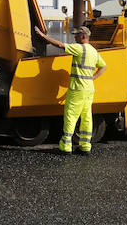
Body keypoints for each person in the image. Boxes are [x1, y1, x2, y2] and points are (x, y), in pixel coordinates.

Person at [34, 24, 107, 155]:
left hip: (77, 89)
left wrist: (43, 36)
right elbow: (103, 67)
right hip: (89, 89)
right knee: (86, 117)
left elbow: (61, 45)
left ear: (83, 36)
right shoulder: (93, 51)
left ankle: (66, 146)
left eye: (77, 35)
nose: (75, 38)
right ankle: (85, 146)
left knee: (71, 116)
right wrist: (92, 78)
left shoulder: (80, 49)